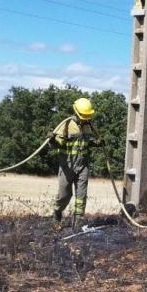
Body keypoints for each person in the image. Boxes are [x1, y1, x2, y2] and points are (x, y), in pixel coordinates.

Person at [51, 97, 101, 230]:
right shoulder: (66, 125)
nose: (86, 119)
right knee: (64, 195)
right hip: (67, 166)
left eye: (88, 116)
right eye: (84, 116)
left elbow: (85, 142)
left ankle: (78, 223)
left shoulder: (88, 126)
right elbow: (59, 143)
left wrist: (96, 143)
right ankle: (57, 216)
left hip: (83, 165)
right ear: (77, 112)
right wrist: (53, 140)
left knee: (81, 196)